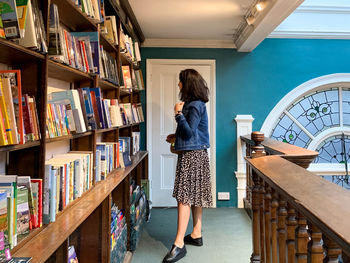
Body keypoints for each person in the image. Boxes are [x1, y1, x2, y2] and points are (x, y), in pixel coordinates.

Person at [163, 69, 212, 263]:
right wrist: (175, 136)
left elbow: (190, 132)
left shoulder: (192, 105)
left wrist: (177, 113)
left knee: (184, 197)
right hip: (198, 154)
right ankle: (196, 234)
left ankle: (179, 245)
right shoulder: (197, 104)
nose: (178, 85)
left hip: (192, 156)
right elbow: (194, 131)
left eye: (180, 82)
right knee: (196, 194)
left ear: (187, 84)